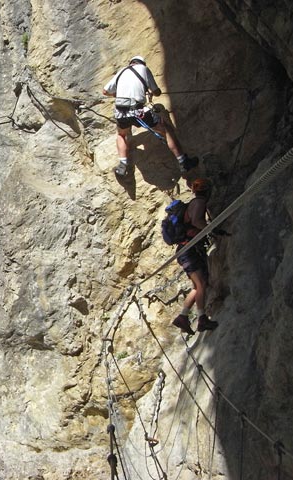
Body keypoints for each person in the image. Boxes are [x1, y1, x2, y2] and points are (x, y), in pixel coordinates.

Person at [102, 55, 198, 176]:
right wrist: (151, 91)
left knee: (121, 135)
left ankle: (122, 165)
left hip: (121, 112)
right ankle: (183, 161)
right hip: (139, 111)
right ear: (142, 63)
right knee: (166, 130)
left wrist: (118, 95)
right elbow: (156, 91)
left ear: (131, 63)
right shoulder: (144, 69)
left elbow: (105, 91)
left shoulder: (122, 71)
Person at [172, 178, 218, 334]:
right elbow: (198, 221)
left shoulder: (193, 203)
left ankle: (183, 317)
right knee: (201, 285)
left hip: (186, 249)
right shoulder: (198, 203)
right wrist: (212, 229)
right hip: (188, 249)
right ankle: (202, 319)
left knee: (198, 285)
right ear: (206, 191)